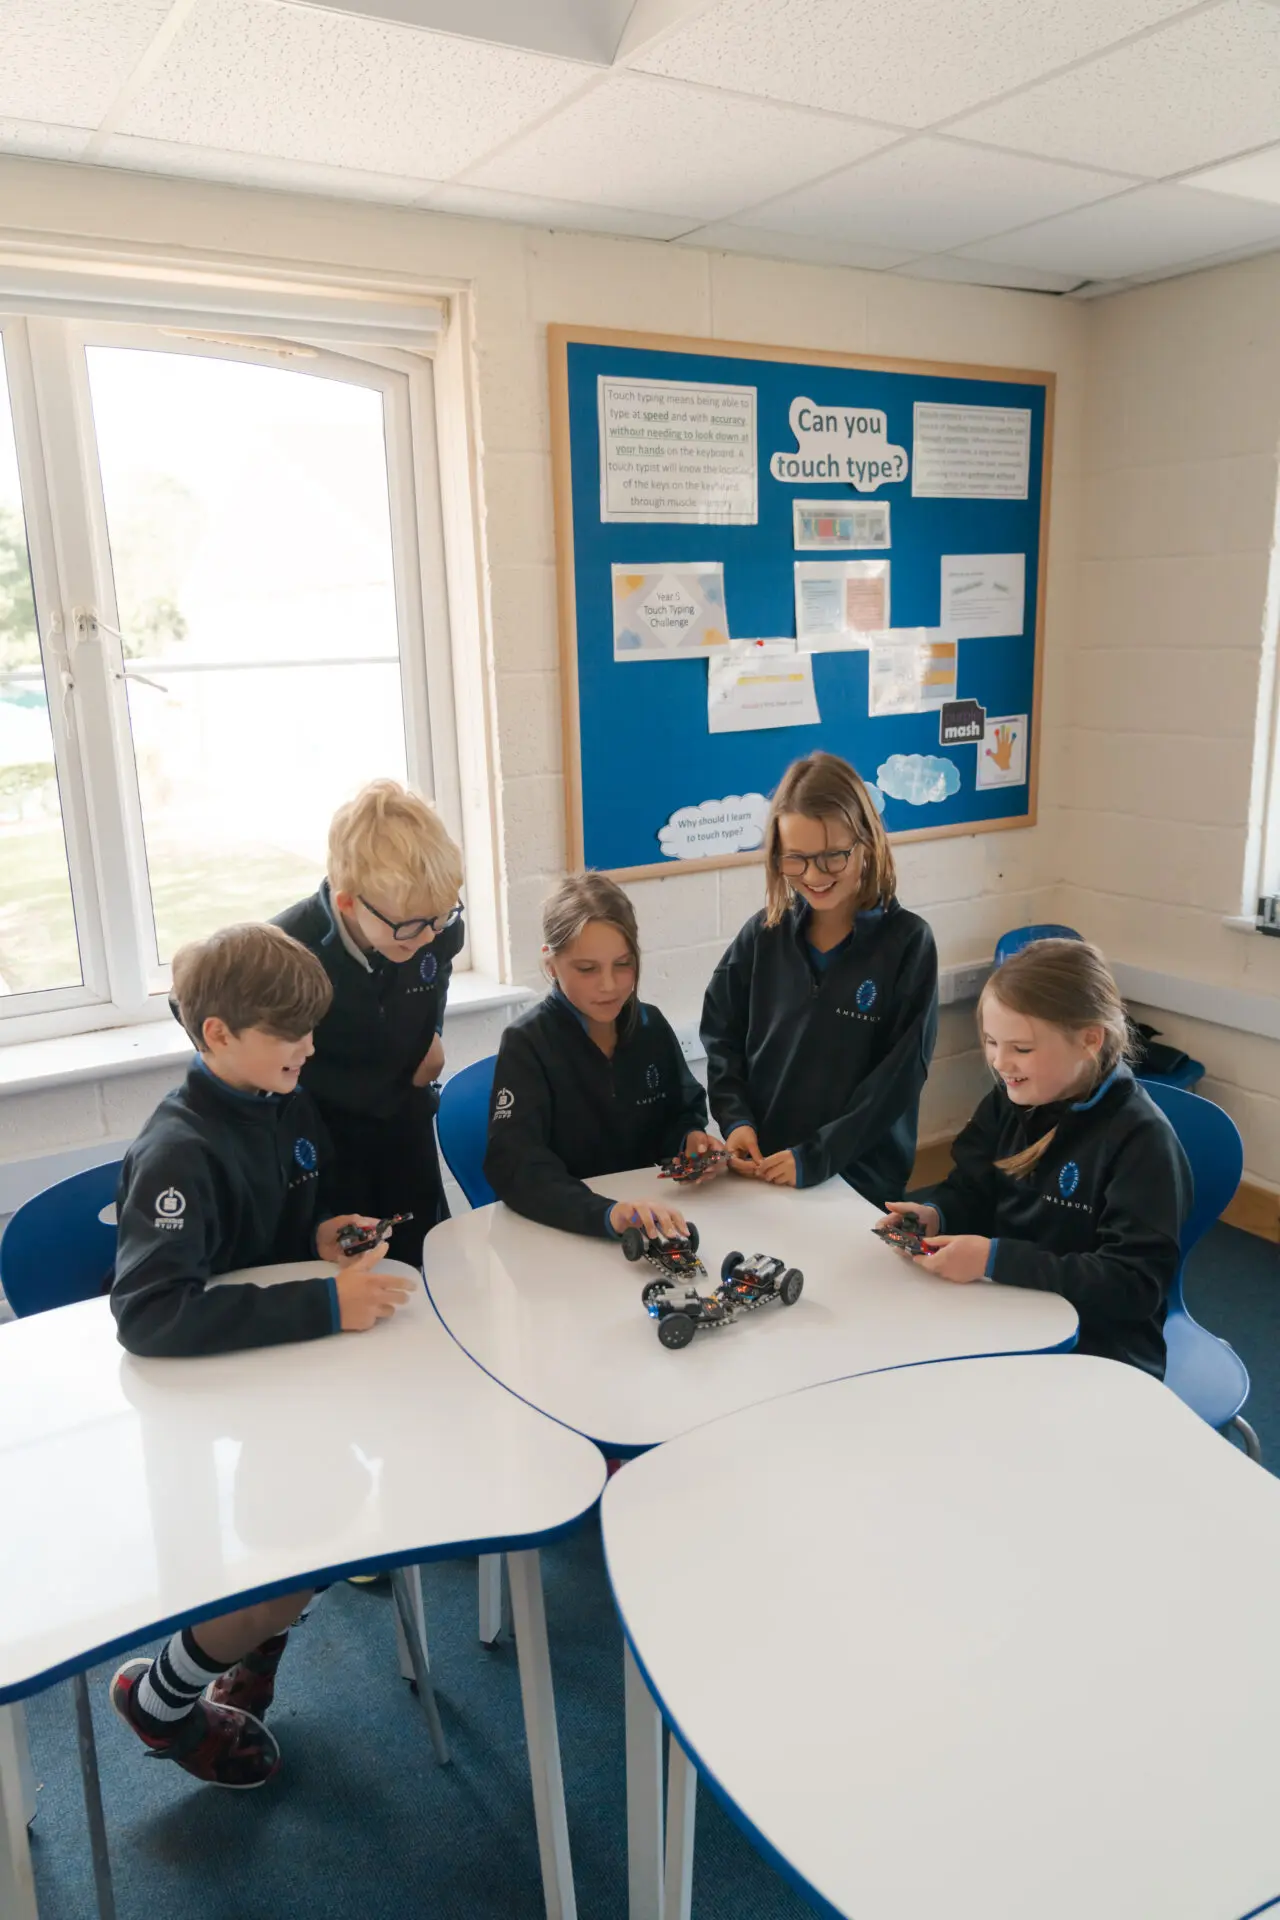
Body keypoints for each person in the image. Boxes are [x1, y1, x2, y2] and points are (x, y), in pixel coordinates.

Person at [108, 922, 413, 1787]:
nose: (310, 1048)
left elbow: (261, 1234)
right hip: (207, 1395)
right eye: (291, 1034)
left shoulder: (280, 1098)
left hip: (282, 1375)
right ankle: (159, 1697)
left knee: (325, 1518)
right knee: (286, 1573)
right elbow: (151, 1312)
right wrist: (324, 1300)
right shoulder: (180, 1149)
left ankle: (256, 1631)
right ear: (217, 1036)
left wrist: (321, 1239)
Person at [881, 937, 1190, 1377]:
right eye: (991, 1041)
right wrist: (936, 1215)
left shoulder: (1142, 1140)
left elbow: (1133, 1284)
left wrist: (994, 1259)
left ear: (1089, 1040)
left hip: (1099, 1347)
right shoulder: (1008, 1100)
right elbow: (972, 1190)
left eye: (1021, 1049)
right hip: (1006, 1311)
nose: (1001, 1062)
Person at [700, 752, 938, 1204]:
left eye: (833, 857)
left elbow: (897, 1080)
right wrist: (735, 1120)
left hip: (858, 1178)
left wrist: (817, 1156)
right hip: (767, 1167)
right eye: (796, 860)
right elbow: (720, 1036)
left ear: (866, 843)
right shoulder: (761, 935)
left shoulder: (908, 944)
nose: (813, 876)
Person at [274, 779, 465, 1266]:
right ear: (348, 902)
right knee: (347, 1273)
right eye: (409, 926)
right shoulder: (285, 948)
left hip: (404, 1126)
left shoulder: (434, 927)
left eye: (439, 920)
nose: (427, 939)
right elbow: (195, 1001)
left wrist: (433, 1033)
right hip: (326, 1141)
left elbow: (432, 979)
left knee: (424, 1266)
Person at [484, 872, 722, 1239]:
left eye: (623, 964)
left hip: (655, 1222)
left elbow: (682, 1110)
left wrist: (689, 1140)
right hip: (569, 1228)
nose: (609, 985)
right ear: (551, 964)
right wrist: (607, 1215)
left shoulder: (651, 1025)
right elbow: (517, 1167)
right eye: (587, 969)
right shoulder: (527, 1044)